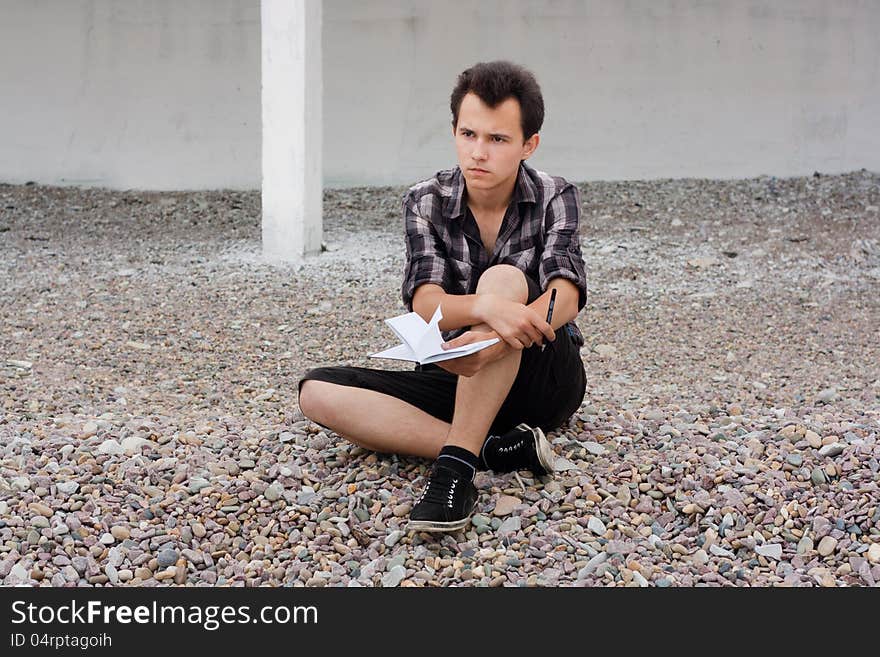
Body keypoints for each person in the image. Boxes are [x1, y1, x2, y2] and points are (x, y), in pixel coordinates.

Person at [298, 61, 587, 533]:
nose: (479, 153)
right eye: (468, 134)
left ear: (528, 144)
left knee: (504, 277)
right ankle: (495, 447)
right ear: (454, 130)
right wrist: (485, 312)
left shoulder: (556, 194)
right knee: (317, 392)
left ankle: (455, 472)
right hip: (456, 371)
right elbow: (426, 300)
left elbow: (566, 293)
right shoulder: (426, 200)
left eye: (497, 140)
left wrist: (499, 335)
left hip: (544, 375)